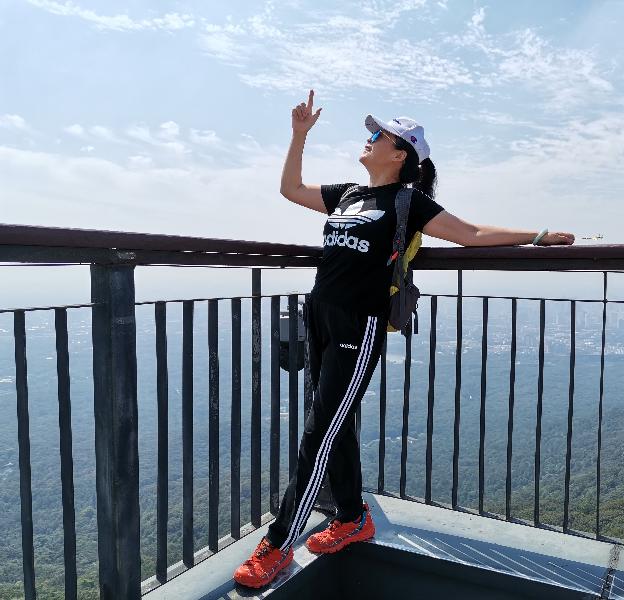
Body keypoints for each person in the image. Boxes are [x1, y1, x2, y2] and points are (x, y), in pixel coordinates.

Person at [233, 90, 575, 589]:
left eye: (379, 135)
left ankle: (279, 543)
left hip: (358, 325)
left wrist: (537, 235)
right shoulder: (348, 194)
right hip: (321, 317)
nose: (369, 139)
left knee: (318, 433)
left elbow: (471, 233)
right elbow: (291, 189)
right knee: (334, 426)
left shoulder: (408, 202)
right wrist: (298, 136)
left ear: (400, 154)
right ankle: (352, 518)